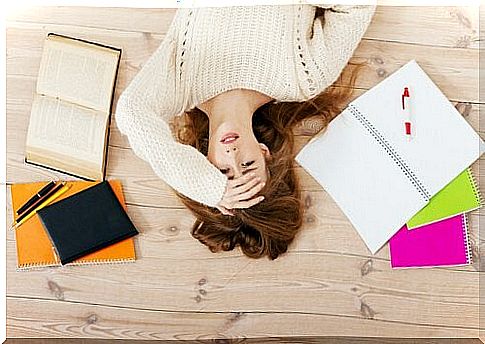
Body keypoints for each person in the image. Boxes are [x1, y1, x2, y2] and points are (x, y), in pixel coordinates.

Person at [115, 2, 376, 260]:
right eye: (248, 165)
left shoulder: (181, 86)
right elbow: (358, 5)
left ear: (203, 164)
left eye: (223, 171)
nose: (232, 153)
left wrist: (205, 186)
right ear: (264, 153)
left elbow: (131, 113)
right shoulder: (303, 79)